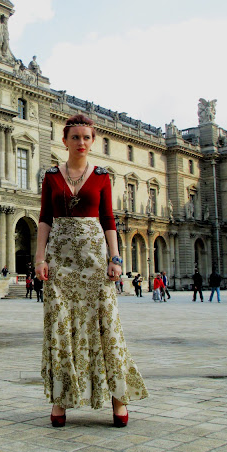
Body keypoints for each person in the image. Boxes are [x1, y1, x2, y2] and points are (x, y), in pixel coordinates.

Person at [35, 114, 148, 429]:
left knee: (106, 325)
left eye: (86, 137)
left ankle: (118, 397)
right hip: (60, 258)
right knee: (60, 325)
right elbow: (44, 218)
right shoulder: (51, 176)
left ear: (92, 141)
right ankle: (61, 399)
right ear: (65, 140)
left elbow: (108, 219)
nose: (81, 142)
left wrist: (116, 258)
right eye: (75, 137)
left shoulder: (101, 176)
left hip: (95, 259)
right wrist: (39, 257)